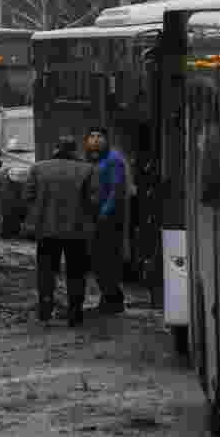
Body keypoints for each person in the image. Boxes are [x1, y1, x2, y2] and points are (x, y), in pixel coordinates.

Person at [25, 136, 98, 327]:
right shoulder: (87, 170)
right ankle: (75, 314)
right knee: (76, 272)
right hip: (77, 231)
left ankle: (45, 311)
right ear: (75, 150)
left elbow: (28, 196)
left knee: (46, 271)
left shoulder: (38, 169)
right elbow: (94, 200)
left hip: (46, 230)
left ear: (55, 148)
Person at [86, 126, 128, 314]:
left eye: (99, 136)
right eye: (92, 136)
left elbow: (116, 189)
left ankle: (113, 299)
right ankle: (110, 297)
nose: (95, 140)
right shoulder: (92, 159)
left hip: (109, 217)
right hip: (95, 215)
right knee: (97, 260)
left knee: (106, 259)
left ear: (106, 139)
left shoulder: (113, 159)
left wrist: (104, 212)